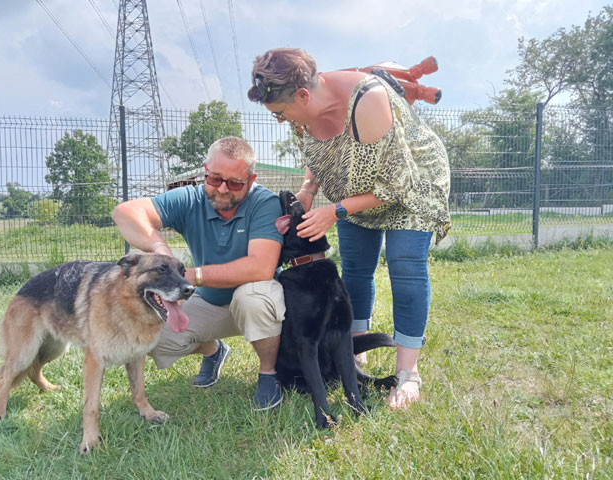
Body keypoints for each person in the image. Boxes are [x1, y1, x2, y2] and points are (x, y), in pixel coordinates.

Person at [248, 48, 451, 410]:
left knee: (405, 266)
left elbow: (395, 185)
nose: (281, 121)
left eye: (280, 114)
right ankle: (353, 355)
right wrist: (310, 189)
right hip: (356, 191)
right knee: (355, 270)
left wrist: (336, 211)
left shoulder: (367, 101)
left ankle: (408, 373)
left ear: (303, 95)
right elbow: (316, 152)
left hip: (411, 183)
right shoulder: (301, 112)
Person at [111, 136, 285, 410]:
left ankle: (268, 374)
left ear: (251, 181)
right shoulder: (191, 199)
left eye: (235, 183)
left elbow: (260, 267)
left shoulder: (265, 203)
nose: (223, 189)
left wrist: (194, 276)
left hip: (256, 298)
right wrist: (160, 249)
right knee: (153, 338)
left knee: (250, 299)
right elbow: (125, 213)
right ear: (205, 170)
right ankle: (213, 351)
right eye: (214, 179)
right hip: (210, 301)